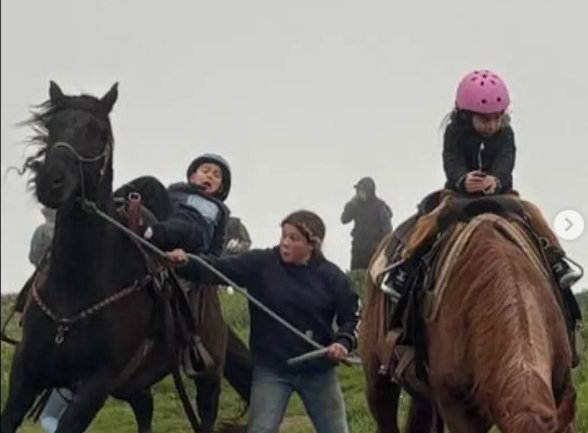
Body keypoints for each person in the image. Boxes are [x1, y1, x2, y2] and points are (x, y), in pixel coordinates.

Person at [382, 69, 583, 363]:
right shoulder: (454, 132)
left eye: (496, 117)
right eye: (484, 118)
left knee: (533, 212)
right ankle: (406, 267)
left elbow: (506, 160)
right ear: (466, 116)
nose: (491, 124)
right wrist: (463, 180)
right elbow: (450, 160)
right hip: (459, 195)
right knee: (432, 218)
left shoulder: (506, 133)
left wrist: (496, 181)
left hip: (499, 195)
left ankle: (557, 261)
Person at [166, 210, 360, 433]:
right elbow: (219, 268)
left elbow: (351, 317)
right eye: (284, 236)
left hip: (318, 372)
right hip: (272, 370)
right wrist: (188, 262)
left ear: (313, 244)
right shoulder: (261, 264)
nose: (285, 243)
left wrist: (343, 342)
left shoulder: (332, 277)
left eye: (294, 238)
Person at [114, 152, 232, 256]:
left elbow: (217, 247)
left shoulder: (219, 209)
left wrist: (208, 265)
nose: (210, 176)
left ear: (220, 188)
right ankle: (111, 204)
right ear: (192, 177)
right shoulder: (175, 190)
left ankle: (147, 232)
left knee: (185, 224)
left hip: (193, 236)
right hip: (167, 218)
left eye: (216, 175)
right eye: (205, 171)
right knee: (150, 183)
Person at [340, 176, 393, 271]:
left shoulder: (379, 206)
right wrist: (351, 203)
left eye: (362, 190)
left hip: (374, 249)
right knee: (356, 275)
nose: (360, 193)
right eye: (359, 190)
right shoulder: (355, 204)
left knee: (372, 275)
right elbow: (344, 219)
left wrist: (382, 247)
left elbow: (387, 229)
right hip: (358, 248)